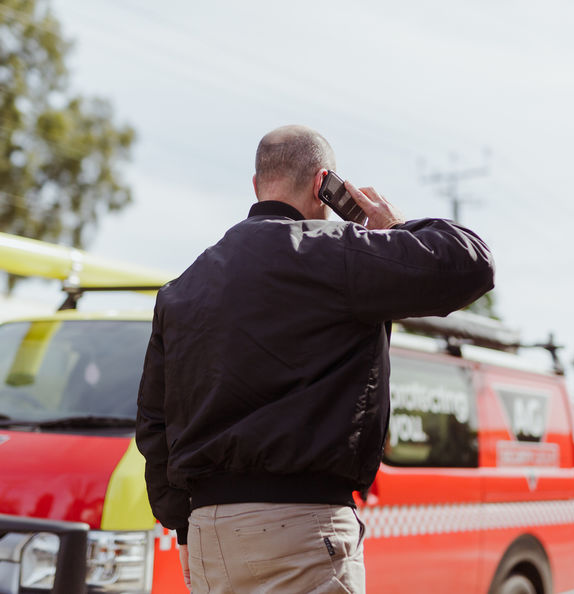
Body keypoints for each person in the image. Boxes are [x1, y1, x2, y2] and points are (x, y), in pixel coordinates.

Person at [136, 124, 494, 593]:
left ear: (256, 185)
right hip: (304, 525)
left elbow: (154, 424)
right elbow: (471, 262)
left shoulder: (183, 287)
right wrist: (393, 228)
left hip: (209, 533)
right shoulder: (336, 255)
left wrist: (184, 524)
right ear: (322, 183)